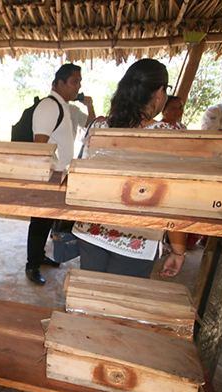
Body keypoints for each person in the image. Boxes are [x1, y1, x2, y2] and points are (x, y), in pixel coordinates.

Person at [72, 58, 187, 279]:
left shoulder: (98, 126)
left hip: (92, 232)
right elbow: (172, 199)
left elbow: (82, 179)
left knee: (91, 297)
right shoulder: (166, 135)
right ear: (160, 92)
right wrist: (178, 250)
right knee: (120, 305)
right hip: (137, 240)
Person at [25, 63, 96, 285]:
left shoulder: (66, 107)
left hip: (60, 174)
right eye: (74, 81)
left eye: (80, 82)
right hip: (49, 175)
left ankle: (40, 256)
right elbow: (40, 146)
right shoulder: (49, 106)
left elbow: (92, 126)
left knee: (47, 221)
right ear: (59, 83)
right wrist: (45, 178)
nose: (78, 86)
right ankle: (32, 265)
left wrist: (90, 105)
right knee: (39, 221)